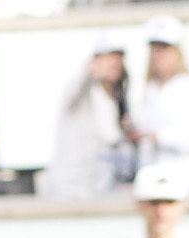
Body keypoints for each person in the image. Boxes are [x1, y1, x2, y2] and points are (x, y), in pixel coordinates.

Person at [126, 18, 189, 166]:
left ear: (178, 51)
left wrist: (162, 137)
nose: (157, 55)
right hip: (152, 178)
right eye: (154, 48)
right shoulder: (151, 88)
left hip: (188, 180)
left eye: (164, 48)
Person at [45, 44, 137, 198]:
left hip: (103, 186)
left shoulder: (120, 100)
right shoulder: (82, 94)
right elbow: (75, 89)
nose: (114, 63)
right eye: (108, 58)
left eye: (118, 59)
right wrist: (89, 72)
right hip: (70, 188)